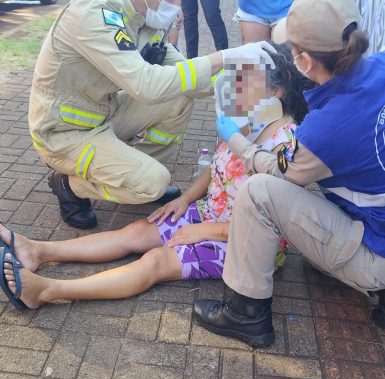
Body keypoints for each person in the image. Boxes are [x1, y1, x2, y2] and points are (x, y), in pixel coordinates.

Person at [0, 44, 310, 310]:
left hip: (245, 242)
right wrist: (186, 200)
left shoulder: (286, 145)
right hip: (211, 214)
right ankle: (38, 251)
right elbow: (220, 164)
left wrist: (204, 231)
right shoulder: (250, 119)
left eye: (246, 80)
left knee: (156, 262)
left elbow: (269, 222)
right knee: (137, 231)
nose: (234, 86)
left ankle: (47, 291)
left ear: (277, 91)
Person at [193, 0, 385, 348]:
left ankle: (245, 314)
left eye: (293, 50)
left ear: (307, 62)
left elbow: (280, 174)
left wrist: (237, 141)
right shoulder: (380, 65)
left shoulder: (324, 130)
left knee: (258, 191)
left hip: (378, 253)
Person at [28, 0, 257, 231]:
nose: (176, 6)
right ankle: (70, 185)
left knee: (178, 97)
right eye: (171, 0)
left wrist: (240, 78)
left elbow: (187, 81)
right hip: (63, 132)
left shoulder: (145, 21)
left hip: (104, 113)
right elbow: (146, 86)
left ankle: (137, 169)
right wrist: (223, 57)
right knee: (153, 182)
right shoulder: (92, 15)